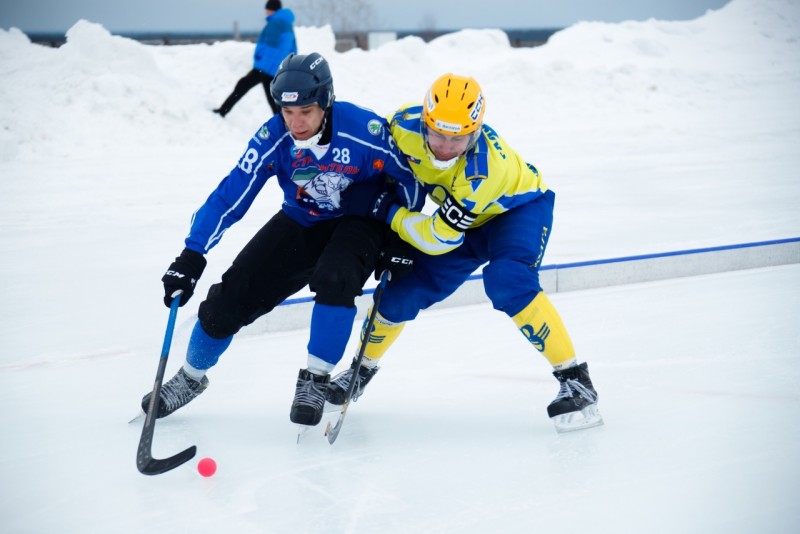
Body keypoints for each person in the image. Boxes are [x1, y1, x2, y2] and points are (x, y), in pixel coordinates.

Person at [141, 52, 424, 428]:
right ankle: (190, 378)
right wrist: (192, 253)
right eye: (287, 112)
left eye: (305, 111)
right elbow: (231, 194)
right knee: (231, 295)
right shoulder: (274, 137)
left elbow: (409, 179)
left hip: (360, 220)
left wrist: (400, 236)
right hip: (301, 219)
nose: (296, 122)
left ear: (325, 101)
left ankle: (315, 380)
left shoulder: (364, 129)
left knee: (335, 277)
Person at [331, 73, 603, 433]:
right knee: (401, 291)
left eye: (458, 138)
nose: (445, 147)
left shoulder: (483, 171)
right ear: (425, 122)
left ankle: (576, 378)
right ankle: (361, 370)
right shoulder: (401, 125)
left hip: (516, 211)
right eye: (438, 134)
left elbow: (438, 239)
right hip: (461, 219)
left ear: (475, 132)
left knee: (508, 281)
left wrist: (389, 213)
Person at [213, 0, 296, 118]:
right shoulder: (287, 24)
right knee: (272, 99)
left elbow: (271, 47)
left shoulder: (275, 24)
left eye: (267, 9)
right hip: (276, 68)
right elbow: (293, 49)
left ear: (272, 10)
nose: (265, 12)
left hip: (266, 68)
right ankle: (285, 125)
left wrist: (260, 58)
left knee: (243, 86)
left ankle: (222, 111)